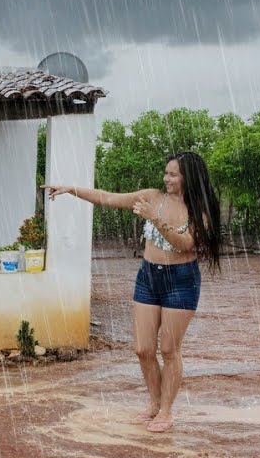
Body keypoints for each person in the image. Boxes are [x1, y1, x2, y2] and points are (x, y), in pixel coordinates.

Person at [44, 151, 222, 433]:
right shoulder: (152, 196)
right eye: (166, 173)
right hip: (148, 277)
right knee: (142, 349)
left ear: (189, 177)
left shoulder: (200, 210)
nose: (166, 178)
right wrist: (71, 189)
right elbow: (107, 197)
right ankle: (153, 404)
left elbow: (186, 243)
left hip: (181, 280)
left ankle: (165, 411)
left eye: (173, 174)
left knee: (169, 350)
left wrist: (156, 219)